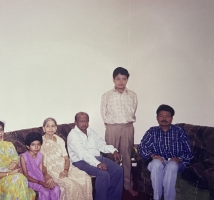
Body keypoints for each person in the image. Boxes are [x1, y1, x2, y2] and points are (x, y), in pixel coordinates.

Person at [138, 104, 193, 200]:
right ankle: (157, 197)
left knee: (171, 166)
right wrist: (152, 155)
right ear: (157, 118)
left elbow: (188, 151)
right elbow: (142, 147)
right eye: (161, 116)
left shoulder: (179, 131)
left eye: (167, 116)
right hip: (159, 161)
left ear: (171, 118)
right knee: (155, 164)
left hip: (176, 163)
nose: (164, 118)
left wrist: (179, 158)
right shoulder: (152, 131)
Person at [67, 112, 123, 200]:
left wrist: (114, 151)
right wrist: (98, 164)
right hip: (80, 161)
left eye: (86, 121)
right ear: (76, 122)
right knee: (103, 174)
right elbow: (82, 154)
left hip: (97, 158)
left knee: (118, 170)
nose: (84, 123)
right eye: (81, 121)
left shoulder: (91, 131)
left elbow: (101, 144)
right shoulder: (73, 135)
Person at [100, 66, 138, 196]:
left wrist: (126, 122)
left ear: (127, 80)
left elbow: (133, 110)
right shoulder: (107, 95)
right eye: (118, 79)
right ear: (113, 80)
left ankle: (128, 185)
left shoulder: (132, 95)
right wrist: (111, 125)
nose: (121, 82)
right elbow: (103, 112)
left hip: (127, 127)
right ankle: (113, 185)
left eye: (124, 79)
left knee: (127, 156)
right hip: (112, 128)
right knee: (111, 157)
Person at [40, 117, 93, 200]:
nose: (50, 128)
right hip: (52, 169)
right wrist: (46, 174)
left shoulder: (60, 140)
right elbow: (41, 162)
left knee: (86, 178)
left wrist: (65, 170)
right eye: (48, 126)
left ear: (56, 128)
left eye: (53, 126)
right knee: (70, 184)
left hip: (65, 167)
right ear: (43, 128)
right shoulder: (40, 142)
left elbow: (66, 158)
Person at [20, 132, 61, 200]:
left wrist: (46, 180)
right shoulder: (23, 157)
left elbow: (41, 171)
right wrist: (40, 183)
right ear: (28, 146)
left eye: (38, 144)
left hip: (39, 178)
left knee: (56, 189)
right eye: (33, 145)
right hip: (30, 181)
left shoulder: (40, 155)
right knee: (45, 192)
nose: (36, 147)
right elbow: (26, 176)